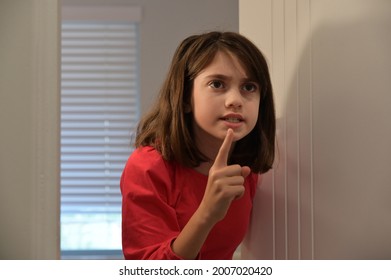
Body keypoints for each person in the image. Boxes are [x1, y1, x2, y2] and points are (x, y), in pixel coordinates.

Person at [120, 31, 276, 260]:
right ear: (184, 98)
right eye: (217, 84)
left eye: (249, 87)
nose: (235, 100)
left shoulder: (247, 168)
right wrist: (207, 213)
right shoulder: (147, 167)